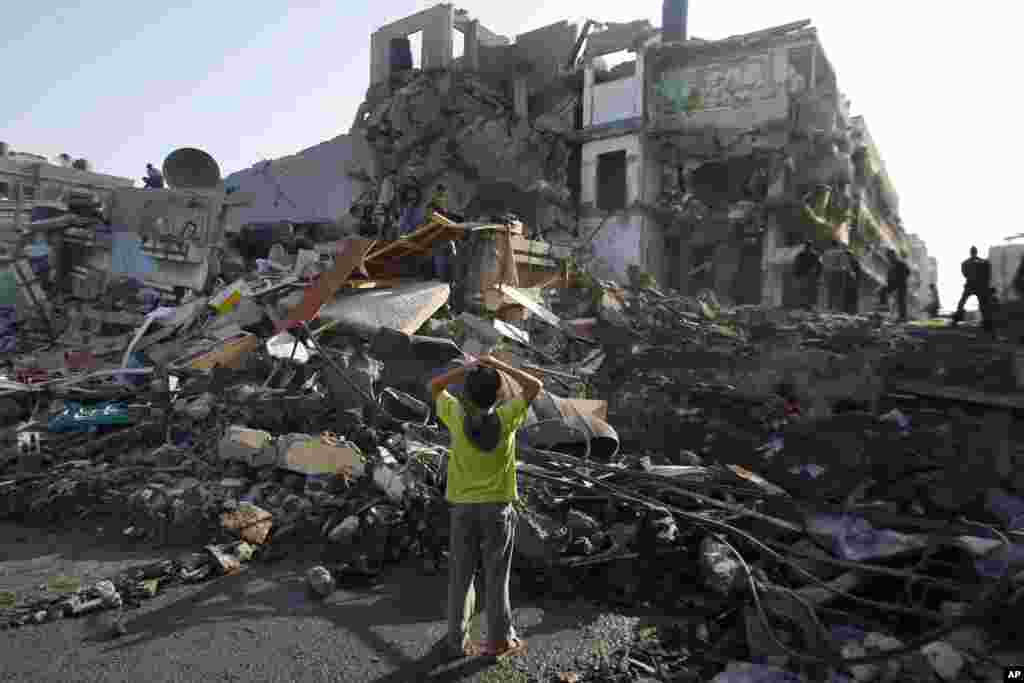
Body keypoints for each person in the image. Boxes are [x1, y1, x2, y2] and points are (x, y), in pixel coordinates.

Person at [428, 355, 542, 661]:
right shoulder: (507, 417)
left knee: (460, 577)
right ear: (497, 394)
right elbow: (535, 385)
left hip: (463, 508)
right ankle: (498, 643)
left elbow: (435, 386)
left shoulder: (454, 413)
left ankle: (456, 642)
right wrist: (499, 365)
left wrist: (467, 368)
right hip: (497, 510)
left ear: (467, 393)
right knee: (496, 577)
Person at [952, 246, 993, 328]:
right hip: (980, 286)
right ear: (976, 252)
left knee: (962, 302)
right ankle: (987, 322)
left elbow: (965, 274)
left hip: (970, 285)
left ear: (970, 252)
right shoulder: (984, 262)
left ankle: (956, 319)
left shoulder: (965, 263)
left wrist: (971, 277)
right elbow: (988, 274)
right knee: (983, 304)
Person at [877, 249, 910, 321]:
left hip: (900, 284)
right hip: (892, 284)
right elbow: (888, 276)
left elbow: (908, 271)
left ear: (893, 256)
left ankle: (903, 317)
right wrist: (885, 283)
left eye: (889, 257)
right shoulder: (891, 265)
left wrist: (900, 278)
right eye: (888, 257)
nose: (888, 259)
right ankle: (884, 308)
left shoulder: (900, 263)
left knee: (901, 300)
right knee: (882, 291)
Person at [792, 241, 823, 310]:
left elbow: (819, 266)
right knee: (806, 291)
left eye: (808, 247)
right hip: (806, 275)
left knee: (807, 291)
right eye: (807, 247)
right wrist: (818, 275)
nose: (807, 248)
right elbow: (820, 266)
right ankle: (805, 305)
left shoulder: (811, 255)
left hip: (807, 276)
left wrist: (817, 275)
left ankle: (807, 305)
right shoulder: (813, 255)